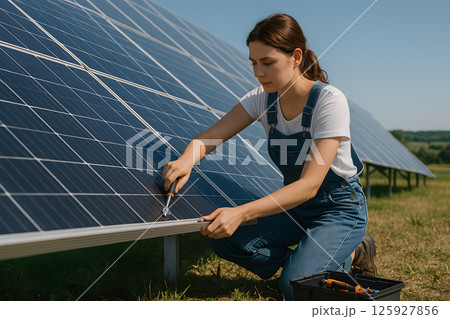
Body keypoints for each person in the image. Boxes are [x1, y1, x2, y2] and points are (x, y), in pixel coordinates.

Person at [163, 13, 376, 300]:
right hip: (295, 207)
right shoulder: (261, 99)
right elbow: (208, 138)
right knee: (225, 240)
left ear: (296, 57)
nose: (258, 73)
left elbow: (310, 185)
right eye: (253, 63)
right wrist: (186, 160)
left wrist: (240, 212)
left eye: (267, 62)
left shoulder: (329, 101)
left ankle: (352, 249)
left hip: (337, 208)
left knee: (293, 288)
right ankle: (312, 258)